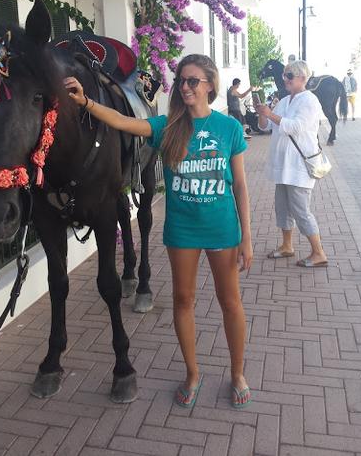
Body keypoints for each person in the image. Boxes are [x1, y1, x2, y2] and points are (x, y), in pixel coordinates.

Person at [64, 54, 253, 409]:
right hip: (182, 230)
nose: (185, 87)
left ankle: (238, 373)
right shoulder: (169, 126)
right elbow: (123, 121)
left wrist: (247, 237)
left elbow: (240, 186)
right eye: (181, 80)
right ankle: (193, 373)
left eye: (193, 81)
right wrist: (86, 102)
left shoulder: (229, 128)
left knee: (231, 302)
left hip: (222, 229)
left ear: (210, 84)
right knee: (183, 301)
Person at [255, 59, 328, 268]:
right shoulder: (285, 101)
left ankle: (318, 252)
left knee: (301, 210)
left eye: (289, 76)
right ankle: (287, 246)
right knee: (283, 208)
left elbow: (296, 127)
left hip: (298, 166)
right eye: (284, 75)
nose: (284, 79)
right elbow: (266, 127)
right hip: (283, 166)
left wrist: (271, 115)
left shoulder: (310, 101)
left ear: (302, 78)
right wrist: (262, 115)